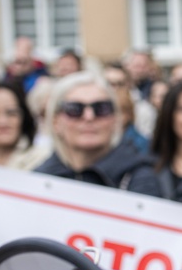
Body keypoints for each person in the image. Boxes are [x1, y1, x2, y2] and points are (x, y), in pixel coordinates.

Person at [34, 72, 162, 196]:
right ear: (55, 121)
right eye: (74, 109)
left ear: (115, 119)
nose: (89, 117)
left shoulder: (140, 180)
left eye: (101, 108)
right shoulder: (37, 180)